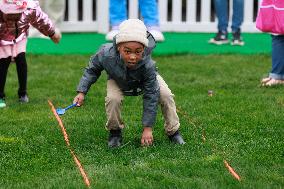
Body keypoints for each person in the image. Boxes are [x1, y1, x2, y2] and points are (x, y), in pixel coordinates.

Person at [73, 19, 184, 148]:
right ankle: (115, 132)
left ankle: (173, 131)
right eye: (127, 51)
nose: (132, 57)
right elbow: (92, 70)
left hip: (145, 79)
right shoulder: (105, 54)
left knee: (166, 95)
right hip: (117, 79)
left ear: (144, 48)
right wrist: (82, 92)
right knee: (113, 99)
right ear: (119, 47)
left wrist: (147, 128)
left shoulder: (148, 66)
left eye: (138, 51)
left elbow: (151, 97)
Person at [0, 0, 61, 108]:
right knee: (3, 64)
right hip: (2, 39)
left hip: (20, 37)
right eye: (9, 14)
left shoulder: (30, 8)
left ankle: (22, 93)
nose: (13, 17)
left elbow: (41, 20)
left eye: (16, 14)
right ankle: (0, 95)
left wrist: (52, 33)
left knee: (21, 61)